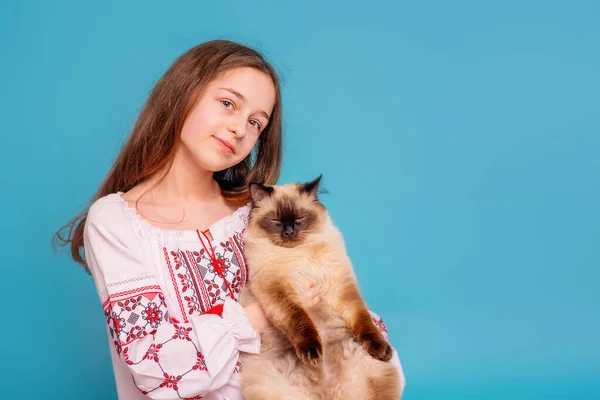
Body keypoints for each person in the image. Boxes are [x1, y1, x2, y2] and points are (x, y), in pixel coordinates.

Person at [55, 40, 406, 399]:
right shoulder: (116, 221)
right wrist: (266, 314)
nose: (240, 128)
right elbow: (157, 371)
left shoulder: (254, 214)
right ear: (183, 93)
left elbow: (338, 305)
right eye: (228, 103)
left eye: (256, 122)